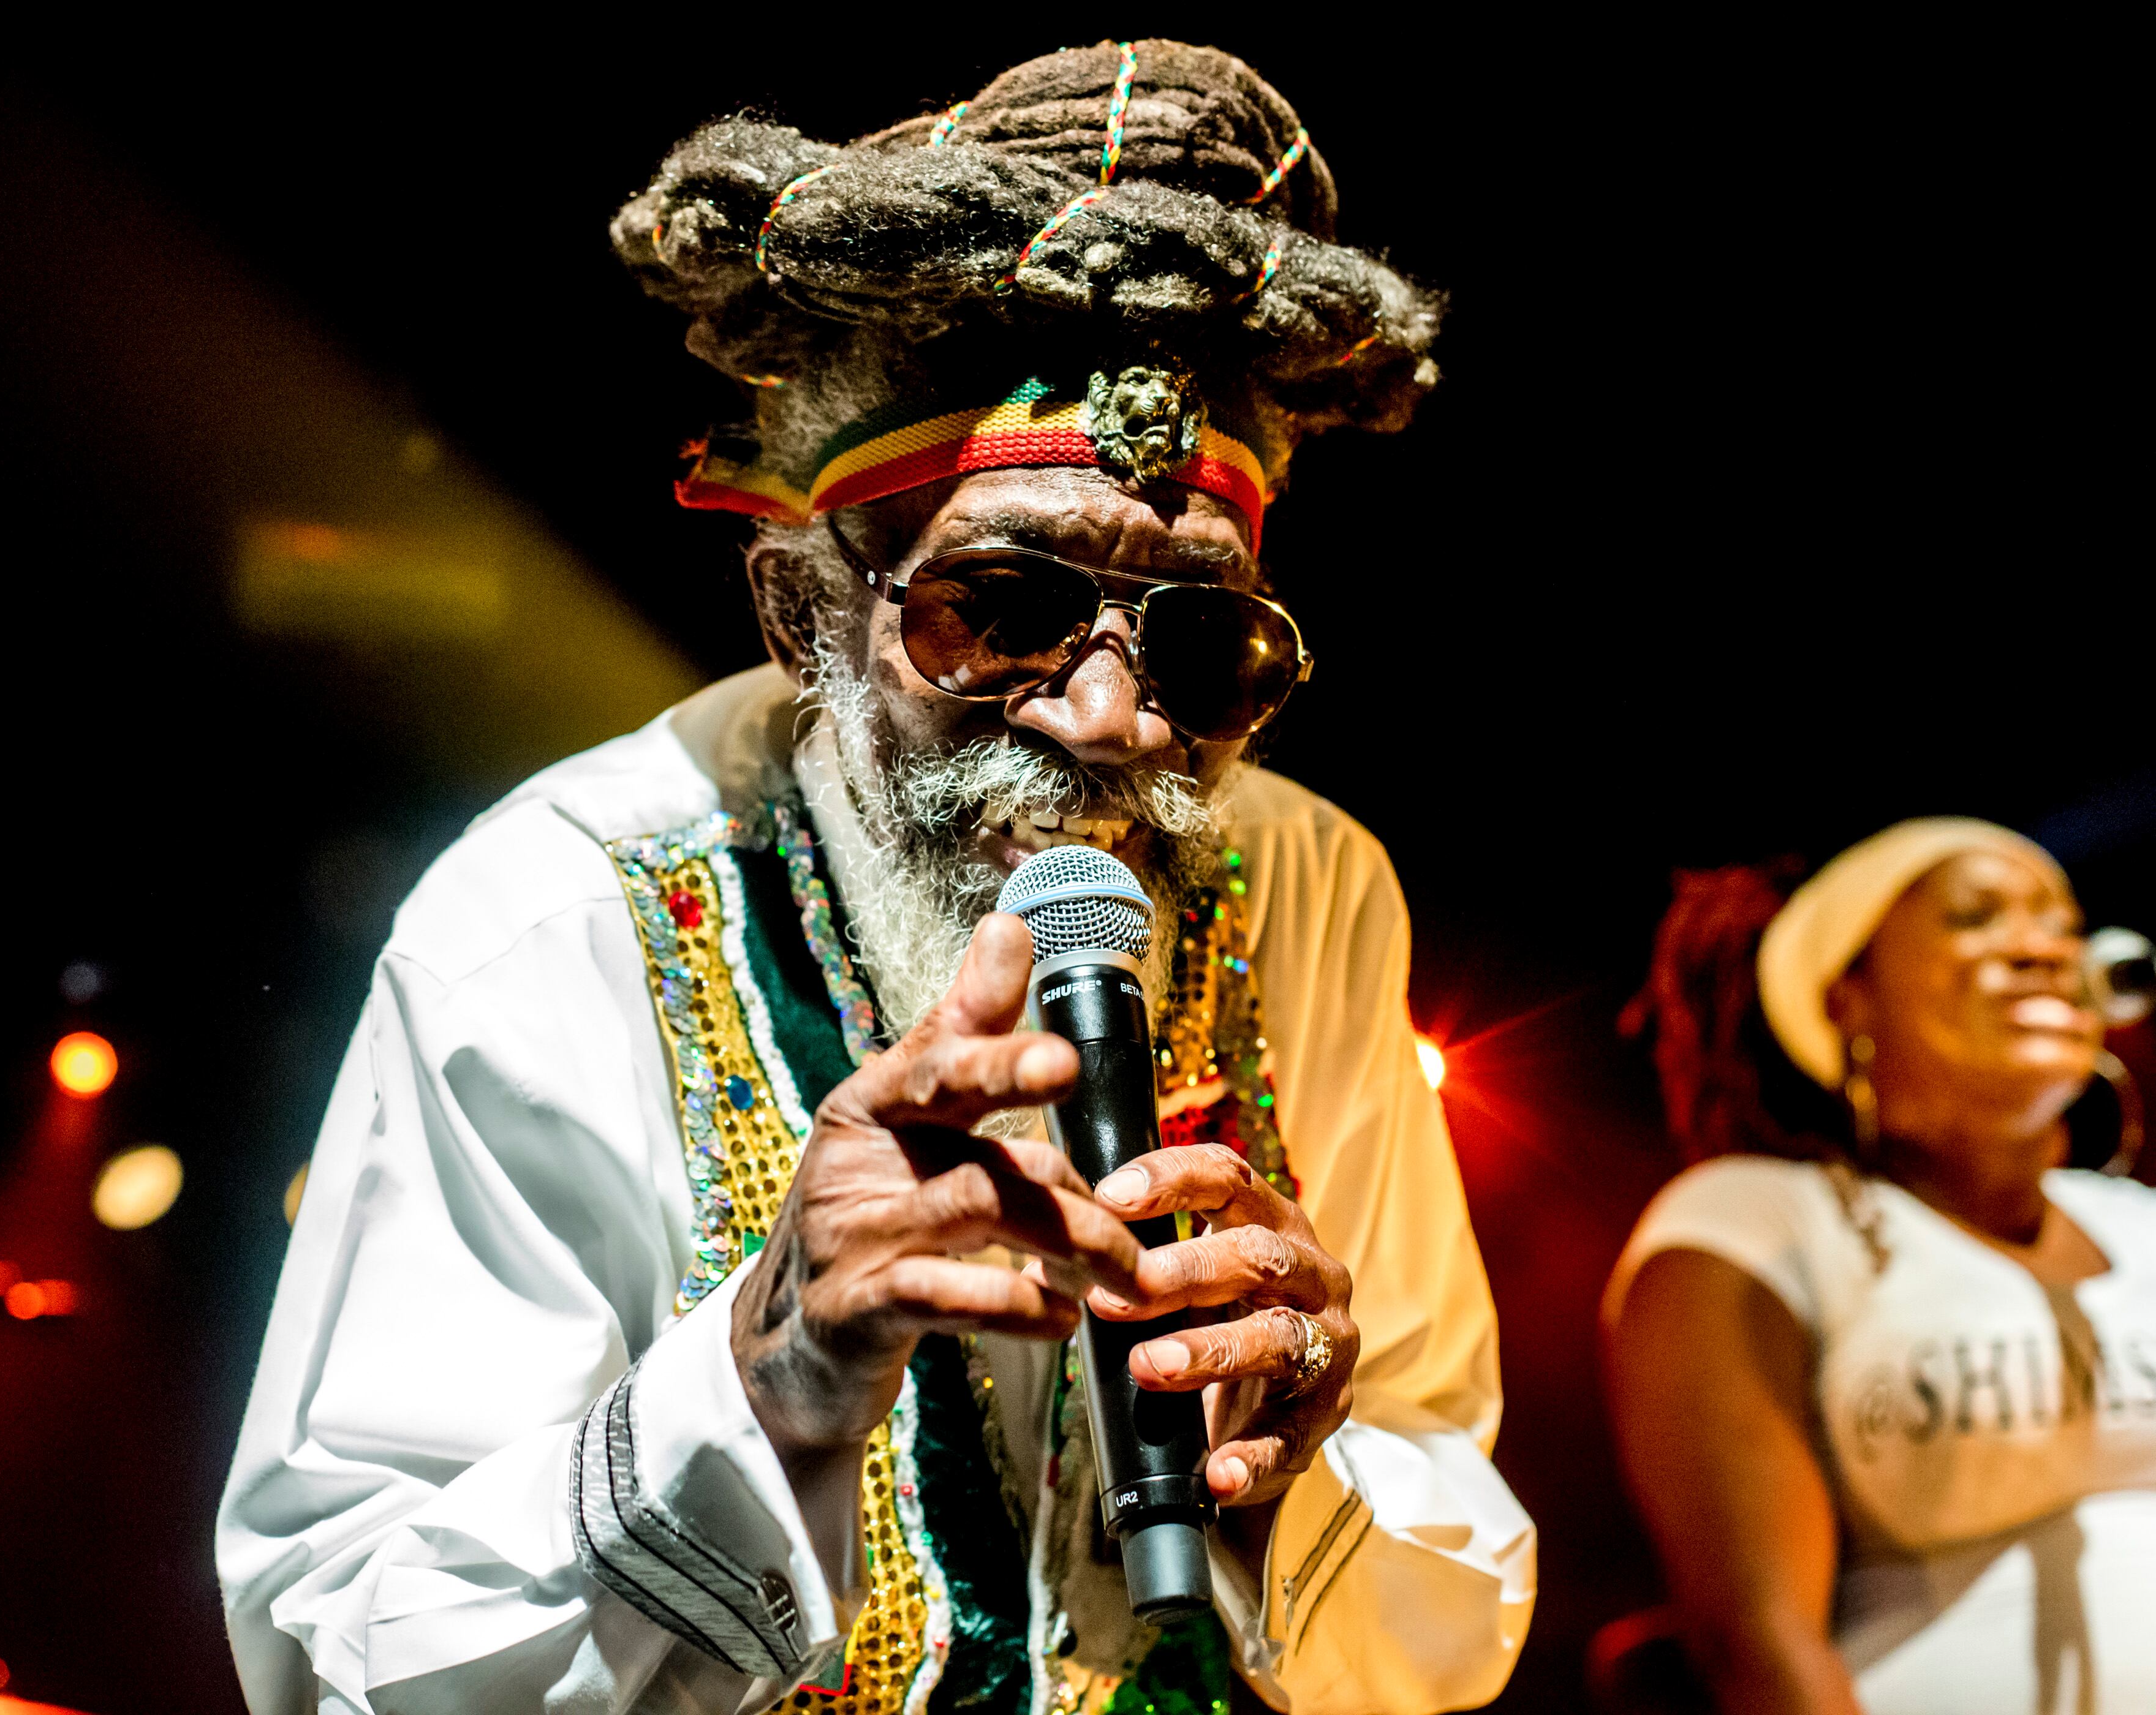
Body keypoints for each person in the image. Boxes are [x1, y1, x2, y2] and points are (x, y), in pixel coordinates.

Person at [217, 41, 1534, 1715]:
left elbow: (1455, 1571)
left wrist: (1299, 1486)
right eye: (1004, 607)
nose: (1114, 717)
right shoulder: (551, 915)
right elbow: (338, 1646)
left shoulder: (1311, 881)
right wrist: (769, 1378)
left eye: (1197, 640)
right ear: (806, 618)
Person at [1606, 818, 2156, 1714]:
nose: (2041, 951)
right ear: (1845, 1000)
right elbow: (1758, 1646)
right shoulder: (1755, 1221)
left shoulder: (2144, 1227)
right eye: (1977, 918)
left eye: (2061, 925)